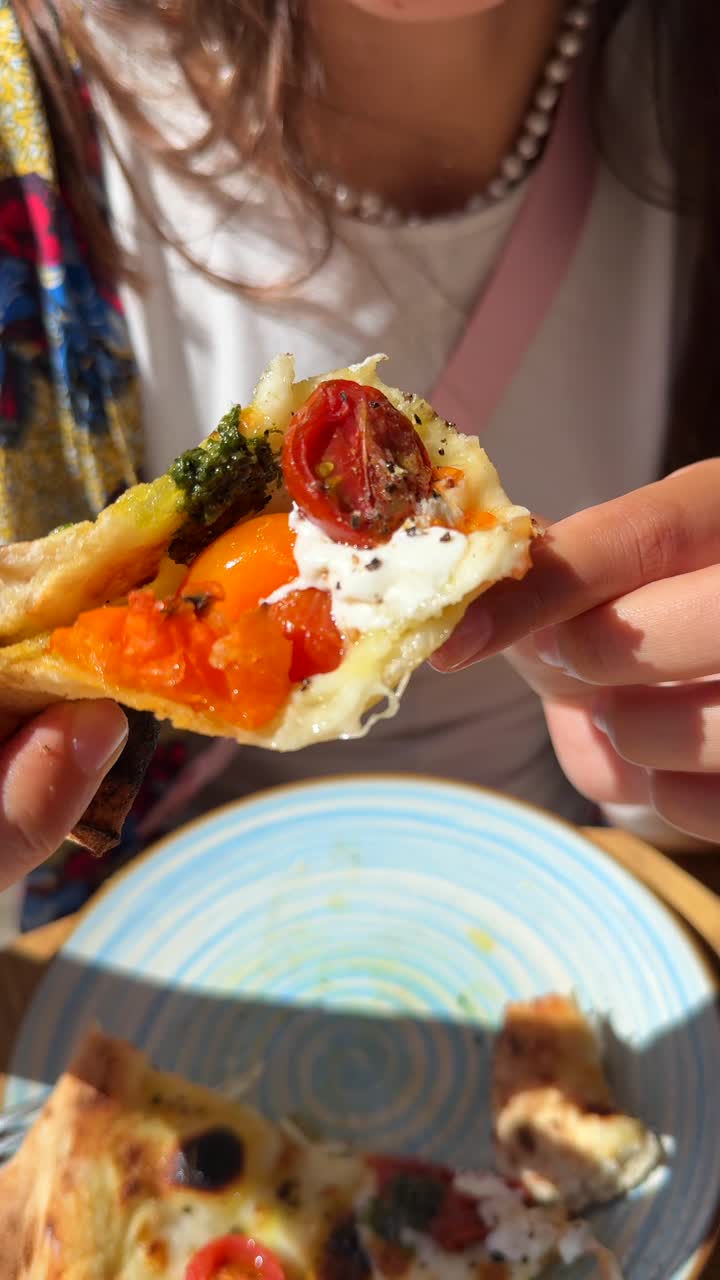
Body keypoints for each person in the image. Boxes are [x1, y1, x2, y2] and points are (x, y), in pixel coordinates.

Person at [1, 0, 720, 890]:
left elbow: (664, 811)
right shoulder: (22, 120)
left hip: (584, 902)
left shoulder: (686, 99)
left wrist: (666, 773)